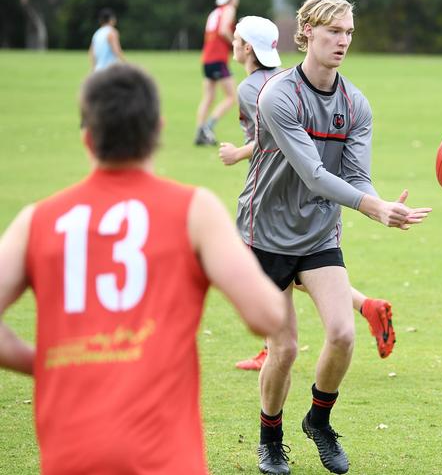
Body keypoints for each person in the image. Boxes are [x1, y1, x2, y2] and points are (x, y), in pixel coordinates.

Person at [0, 63, 286, 475]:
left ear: (87, 138)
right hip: (164, 457)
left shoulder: (37, 220)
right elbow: (267, 315)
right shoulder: (192, 210)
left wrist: (44, 362)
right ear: (158, 131)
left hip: (69, 454)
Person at [235, 0, 431, 474]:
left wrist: (382, 203)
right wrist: (371, 207)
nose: (342, 41)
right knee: (282, 349)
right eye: (332, 32)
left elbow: (356, 176)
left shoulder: (355, 103)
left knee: (343, 333)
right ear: (306, 33)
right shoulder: (278, 96)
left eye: (348, 32)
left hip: (319, 234)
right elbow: (314, 174)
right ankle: (271, 438)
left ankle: (319, 421)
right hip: (266, 235)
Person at [219, 15, 396, 371]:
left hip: (281, 209)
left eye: (236, 40)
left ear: (247, 48)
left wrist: (238, 153)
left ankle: (276, 347)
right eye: (336, 31)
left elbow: (277, 143)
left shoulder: (254, 88)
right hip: (309, 210)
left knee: (279, 269)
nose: (233, 47)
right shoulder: (286, 80)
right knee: (302, 274)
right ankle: (363, 307)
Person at [194, 0, 239, 146]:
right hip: (219, 59)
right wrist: (236, 43)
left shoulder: (214, 12)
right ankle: (208, 127)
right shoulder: (229, 9)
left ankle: (199, 132)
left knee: (208, 97)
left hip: (207, 59)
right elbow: (224, 30)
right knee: (231, 97)